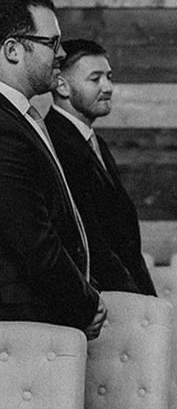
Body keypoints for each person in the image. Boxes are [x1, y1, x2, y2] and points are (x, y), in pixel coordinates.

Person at [0, 0, 105, 337]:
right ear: (13, 50)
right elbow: (33, 237)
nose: (61, 53)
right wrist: (84, 303)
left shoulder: (22, 117)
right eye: (52, 42)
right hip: (23, 326)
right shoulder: (4, 126)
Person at [46, 39, 156, 296]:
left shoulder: (95, 142)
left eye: (108, 77)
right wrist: (133, 298)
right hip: (101, 299)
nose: (108, 87)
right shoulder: (57, 143)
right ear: (62, 85)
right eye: (95, 79)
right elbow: (90, 241)